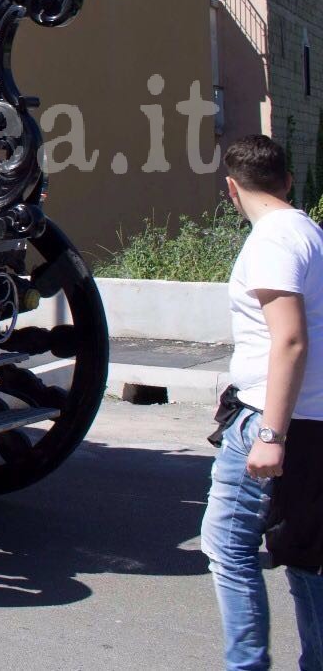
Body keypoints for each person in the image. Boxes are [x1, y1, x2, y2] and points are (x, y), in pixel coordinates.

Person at [203, 135, 323, 670]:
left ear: (232, 188)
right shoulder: (308, 231)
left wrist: (270, 435)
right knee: (305, 555)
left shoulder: (271, 240)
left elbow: (291, 338)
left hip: (272, 420)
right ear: (288, 180)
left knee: (227, 549)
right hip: (307, 412)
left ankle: (245, 666)